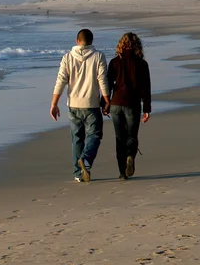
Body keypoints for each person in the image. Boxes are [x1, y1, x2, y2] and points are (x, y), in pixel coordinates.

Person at [50, 29, 111, 183]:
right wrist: (107, 99)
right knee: (95, 135)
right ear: (92, 41)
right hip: (91, 104)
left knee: (77, 139)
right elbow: (102, 79)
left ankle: (78, 173)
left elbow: (61, 80)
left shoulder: (67, 57)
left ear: (77, 40)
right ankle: (85, 160)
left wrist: (54, 103)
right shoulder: (98, 56)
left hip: (73, 104)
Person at [106, 32, 151, 180]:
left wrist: (104, 103)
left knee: (119, 138)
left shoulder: (114, 62)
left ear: (121, 45)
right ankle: (130, 155)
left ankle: (122, 173)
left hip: (116, 103)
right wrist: (147, 109)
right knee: (132, 136)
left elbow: (107, 86)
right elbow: (146, 88)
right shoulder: (142, 64)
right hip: (133, 104)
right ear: (138, 46)